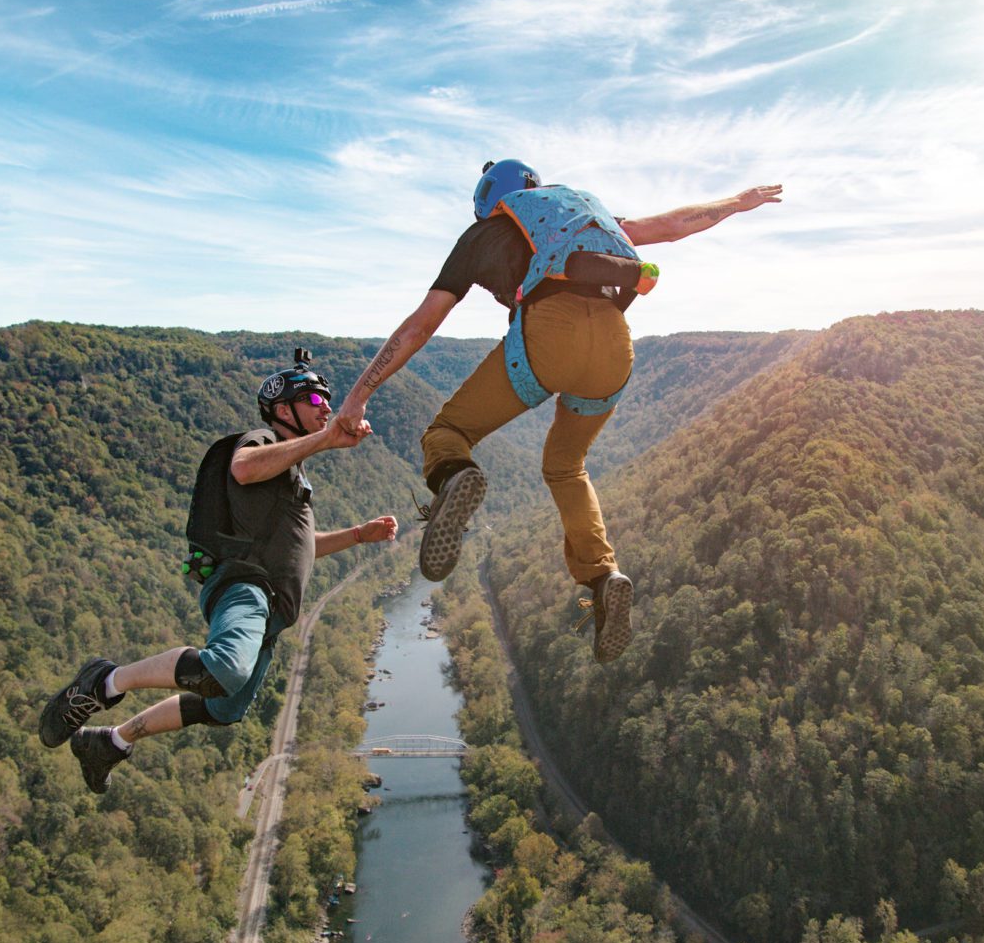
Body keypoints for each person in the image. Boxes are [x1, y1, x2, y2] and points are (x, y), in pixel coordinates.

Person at [334, 160, 782, 663]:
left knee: (450, 431)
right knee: (567, 466)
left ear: (489, 199)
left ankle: (454, 480)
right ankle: (602, 574)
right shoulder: (585, 220)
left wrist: (356, 398)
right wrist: (737, 203)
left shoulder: (483, 234)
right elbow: (675, 226)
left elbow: (421, 326)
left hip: (552, 333)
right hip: (615, 347)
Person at [39, 349, 399, 793]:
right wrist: (325, 441)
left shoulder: (289, 475)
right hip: (246, 586)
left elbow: (302, 549)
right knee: (224, 668)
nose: (326, 406)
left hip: (271, 611)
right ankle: (105, 681)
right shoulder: (261, 441)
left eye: (327, 399)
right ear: (284, 410)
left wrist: (358, 535)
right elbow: (243, 468)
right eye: (315, 400)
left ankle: (110, 741)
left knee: (225, 707)